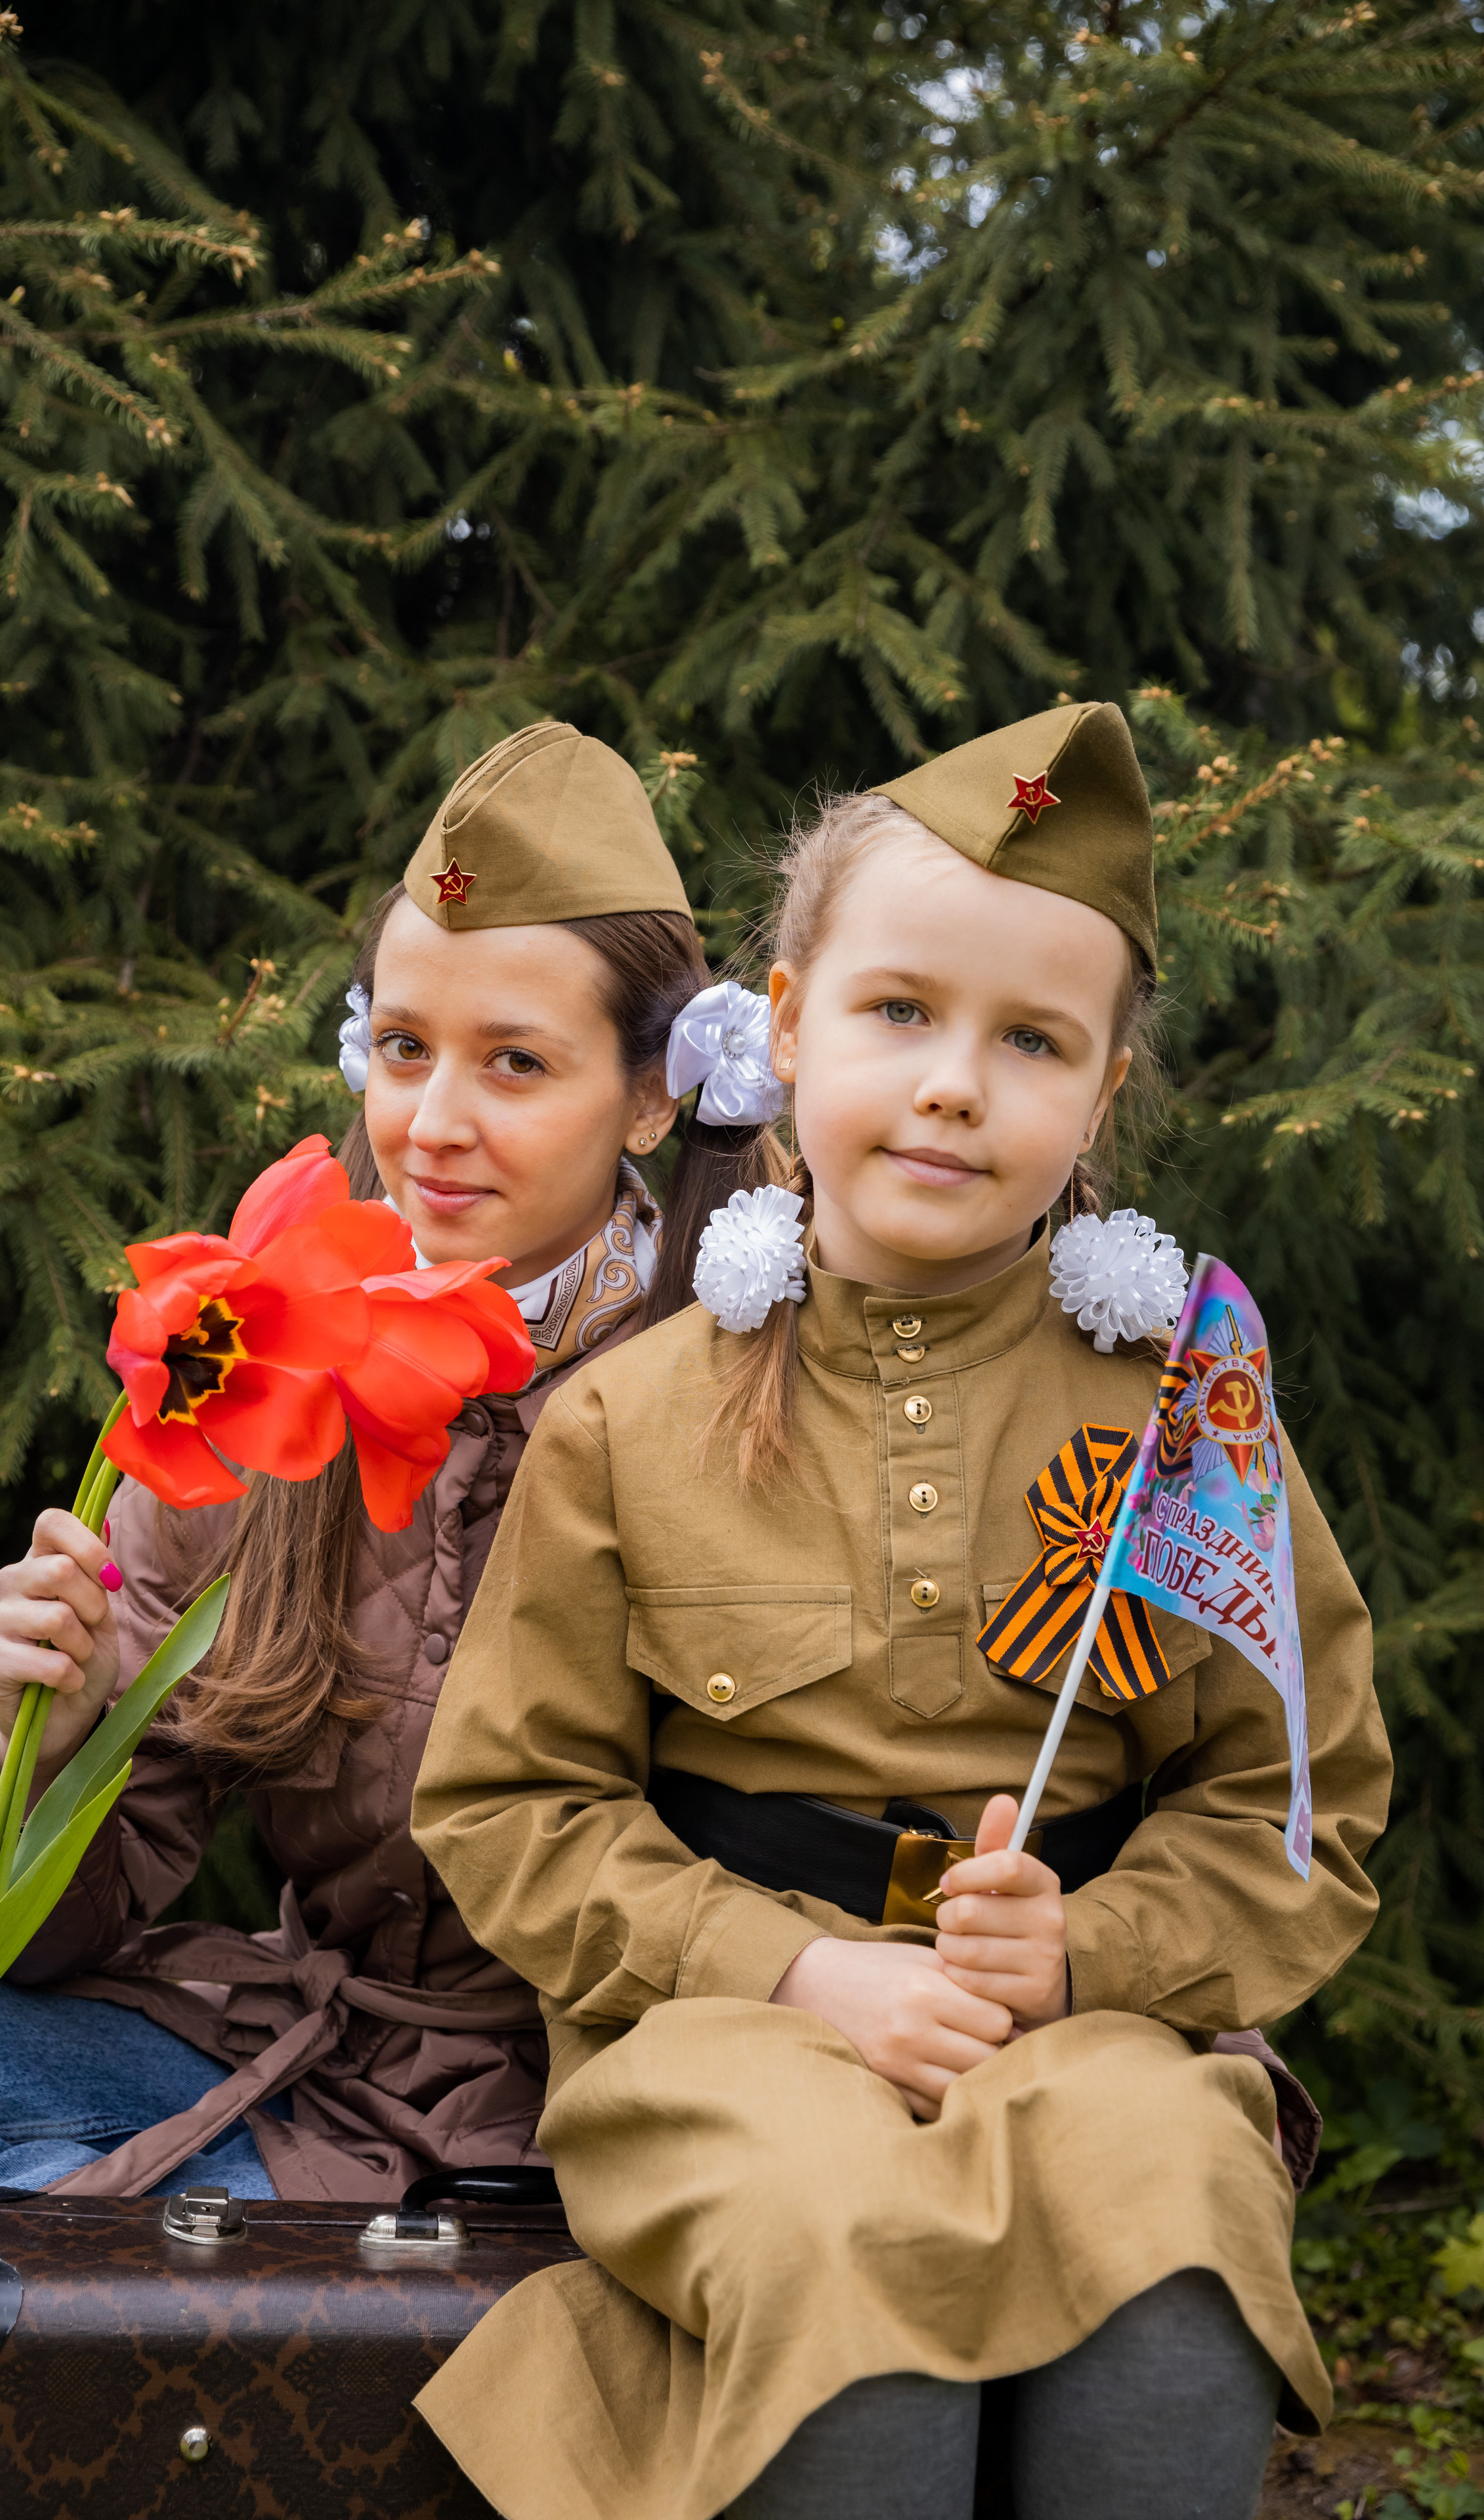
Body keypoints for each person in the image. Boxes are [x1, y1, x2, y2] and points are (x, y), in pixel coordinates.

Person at [408, 702, 1395, 2520]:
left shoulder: (1183, 1421)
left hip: (1078, 2025)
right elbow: (510, 1808)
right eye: (899, 1013)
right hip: (727, 2028)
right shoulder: (634, 1417)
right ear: (786, 1026)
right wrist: (792, 1971)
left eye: (1031, 1041)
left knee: (1173, 2233)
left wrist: (1088, 1955)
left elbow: (1293, 1803)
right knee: (841, 2252)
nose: (956, 1082)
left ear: (1101, 1092)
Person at [0, 722, 789, 2513]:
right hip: (285, 2046)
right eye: (405, 1050)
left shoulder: (732, 1396)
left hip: (550, 2139)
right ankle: (51, 2186)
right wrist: (67, 1710)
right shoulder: (283, 1344)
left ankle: (57, 2229)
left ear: (654, 1096)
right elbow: (44, 1935)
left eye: (516, 1063)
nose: (434, 1122)